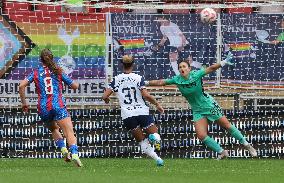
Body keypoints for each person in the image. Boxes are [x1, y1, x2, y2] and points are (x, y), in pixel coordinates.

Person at [146, 53, 257, 159]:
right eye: (180, 67)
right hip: (197, 110)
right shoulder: (177, 79)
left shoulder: (196, 74)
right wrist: (145, 83)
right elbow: (161, 82)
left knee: (227, 125)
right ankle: (222, 152)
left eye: (184, 66)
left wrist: (223, 62)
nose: (181, 68)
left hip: (208, 105)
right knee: (201, 135)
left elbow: (211, 68)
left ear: (189, 68)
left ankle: (247, 145)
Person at [19, 48, 83, 167]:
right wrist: (71, 83)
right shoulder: (58, 71)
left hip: (43, 107)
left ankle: (64, 150)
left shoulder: (36, 72)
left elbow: (21, 85)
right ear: (52, 58)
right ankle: (74, 154)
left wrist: (24, 103)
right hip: (58, 105)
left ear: (40, 60)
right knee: (69, 132)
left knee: (54, 129)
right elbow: (74, 86)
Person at [102, 55, 165, 166]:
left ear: (122, 64)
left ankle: (157, 159)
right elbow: (145, 95)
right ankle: (154, 137)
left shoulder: (116, 79)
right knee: (156, 134)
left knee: (141, 141)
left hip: (127, 115)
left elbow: (104, 96)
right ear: (133, 64)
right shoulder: (138, 78)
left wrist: (107, 99)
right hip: (141, 111)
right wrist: (157, 104)